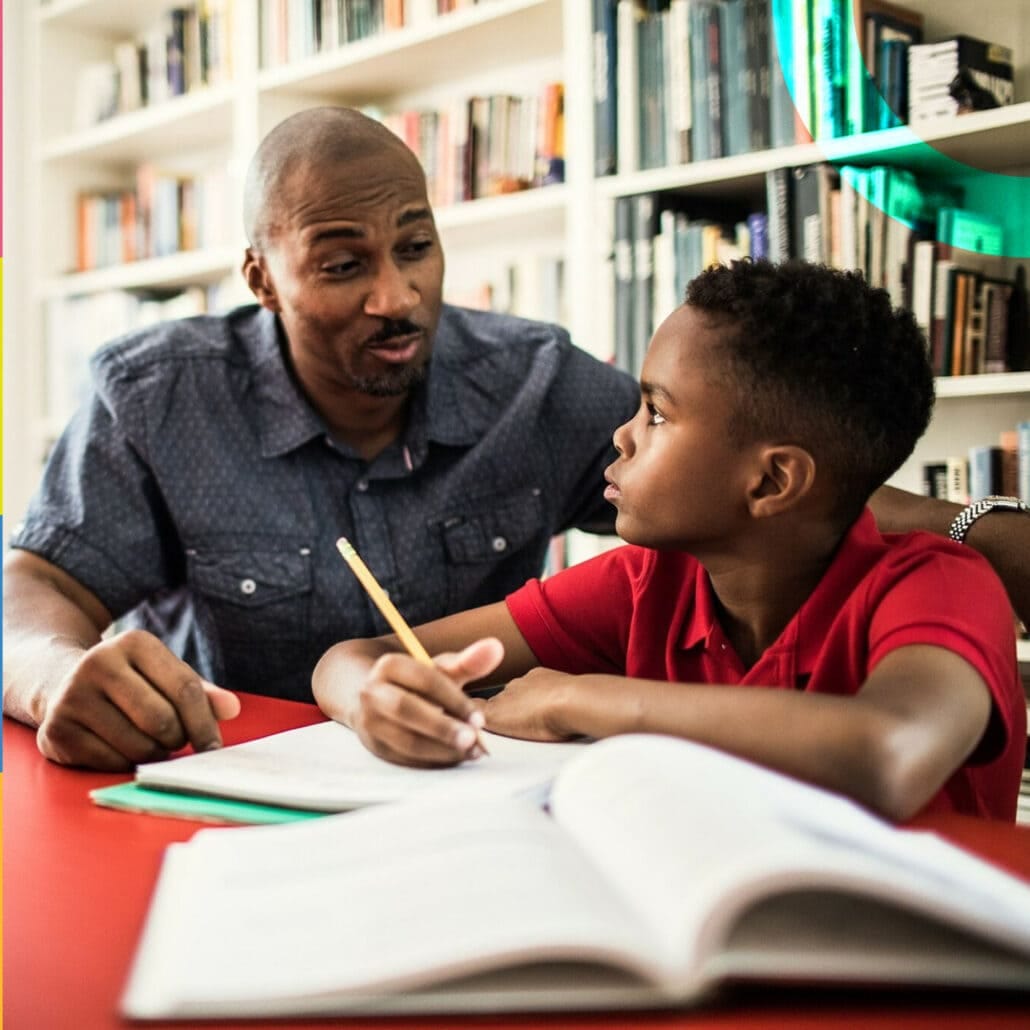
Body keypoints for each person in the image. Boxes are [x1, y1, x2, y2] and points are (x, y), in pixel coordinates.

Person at [2, 106, 640, 771]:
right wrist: (51, 678)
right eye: (342, 265)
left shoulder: (536, 382)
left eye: (415, 248)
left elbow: (718, 501)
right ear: (263, 281)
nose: (396, 297)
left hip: (473, 779)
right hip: (232, 789)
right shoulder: (155, 396)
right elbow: (42, 585)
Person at [313, 260, 1026, 822]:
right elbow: (353, 657)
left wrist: (581, 700)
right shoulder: (646, 583)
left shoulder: (942, 585)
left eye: (655, 412)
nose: (621, 436)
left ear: (773, 481)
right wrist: (370, 699)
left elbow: (886, 753)